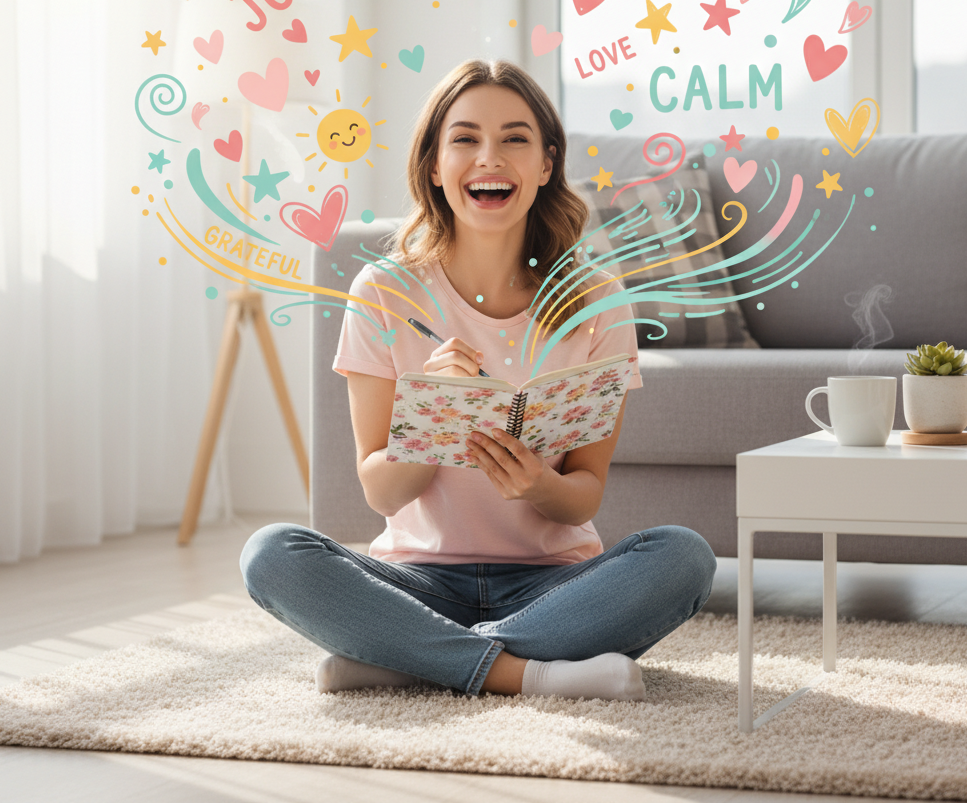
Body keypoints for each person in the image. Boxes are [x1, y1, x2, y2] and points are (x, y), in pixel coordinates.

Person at [240, 59, 716, 701]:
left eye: (515, 139)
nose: (489, 158)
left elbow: (585, 495)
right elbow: (380, 491)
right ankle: (524, 671)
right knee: (271, 553)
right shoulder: (382, 292)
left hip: (552, 583)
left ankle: (407, 657)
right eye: (465, 139)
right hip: (415, 579)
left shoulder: (596, 300)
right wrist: (430, 413)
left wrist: (540, 484)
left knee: (684, 556)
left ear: (546, 164)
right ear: (434, 164)